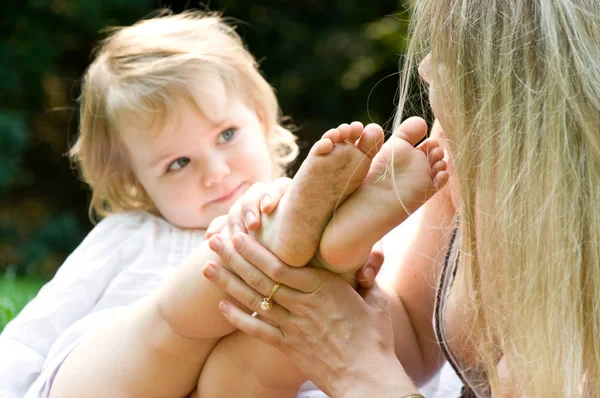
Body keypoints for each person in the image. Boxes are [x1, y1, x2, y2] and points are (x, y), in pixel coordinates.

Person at [0, 9, 448, 398]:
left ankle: (324, 260)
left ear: (262, 117)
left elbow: (402, 337)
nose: (215, 172)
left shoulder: (316, 202)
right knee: (170, 322)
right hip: (123, 381)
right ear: (134, 182)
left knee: (275, 344)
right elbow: (31, 336)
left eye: (226, 136)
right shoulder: (131, 232)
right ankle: (289, 249)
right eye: (177, 163)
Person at [202, 0, 600, 396]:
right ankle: (335, 249)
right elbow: (412, 325)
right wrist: (339, 295)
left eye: (456, 51)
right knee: (217, 381)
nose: (425, 66)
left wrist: (362, 372)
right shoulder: (465, 151)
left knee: (206, 369)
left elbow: (370, 368)